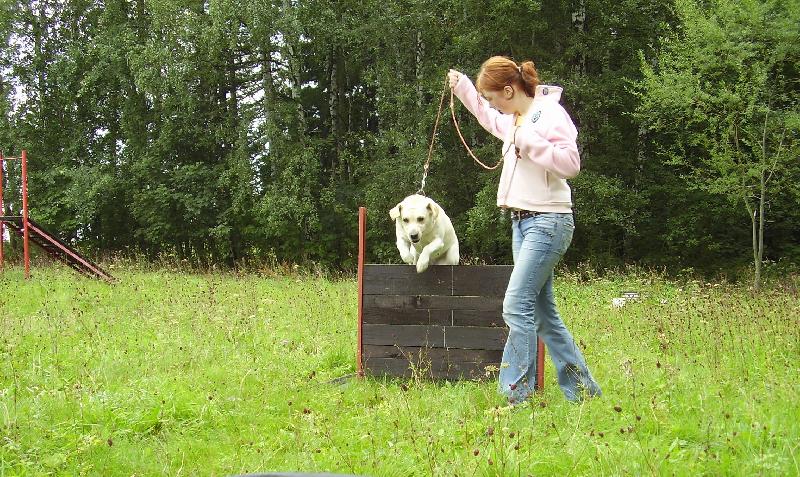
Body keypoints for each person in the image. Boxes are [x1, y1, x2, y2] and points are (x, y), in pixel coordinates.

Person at [448, 57, 601, 403]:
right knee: (543, 316)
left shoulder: (549, 114)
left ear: (508, 90)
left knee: (516, 305)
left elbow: (571, 164)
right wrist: (463, 88)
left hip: (549, 221)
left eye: (493, 98)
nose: (492, 106)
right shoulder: (514, 118)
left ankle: (516, 396)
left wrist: (528, 141)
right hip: (522, 222)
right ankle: (584, 392)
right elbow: (487, 117)